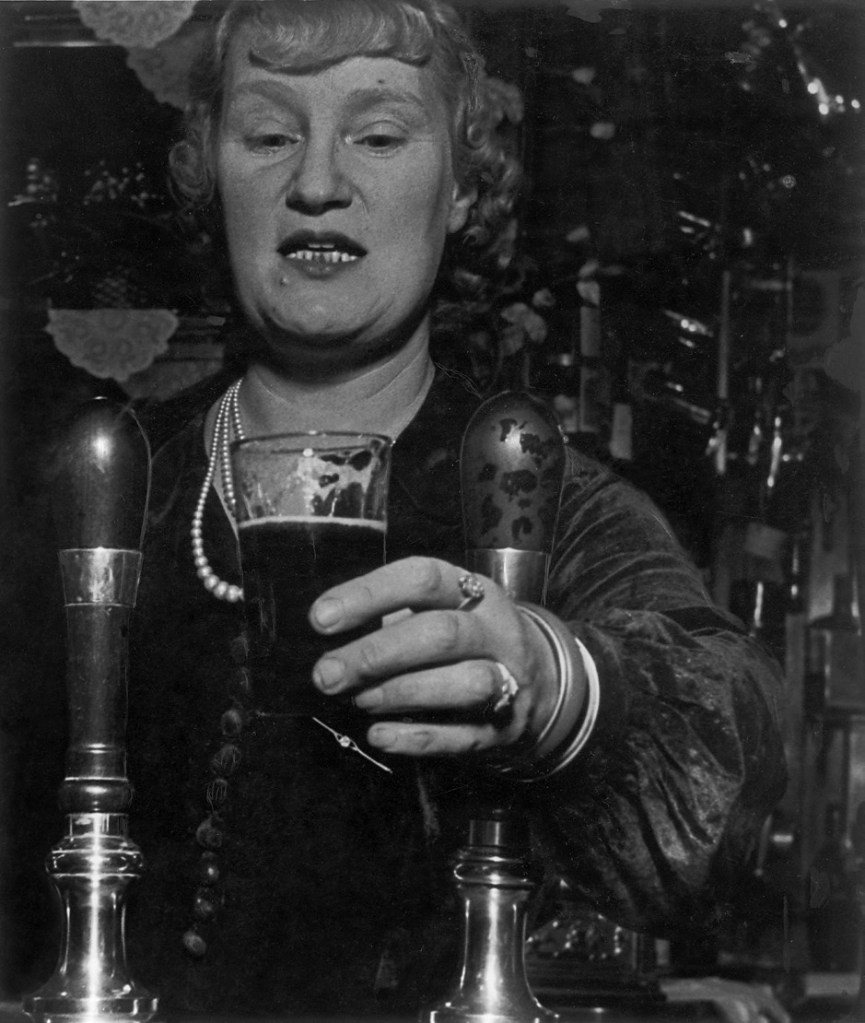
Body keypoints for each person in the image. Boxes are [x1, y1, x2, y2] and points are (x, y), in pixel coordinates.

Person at [16, 0, 787, 1015]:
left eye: (377, 135)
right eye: (268, 134)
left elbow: (733, 754)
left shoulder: (536, 491)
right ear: (211, 170)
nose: (318, 184)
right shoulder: (101, 483)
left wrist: (558, 686)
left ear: (463, 187)